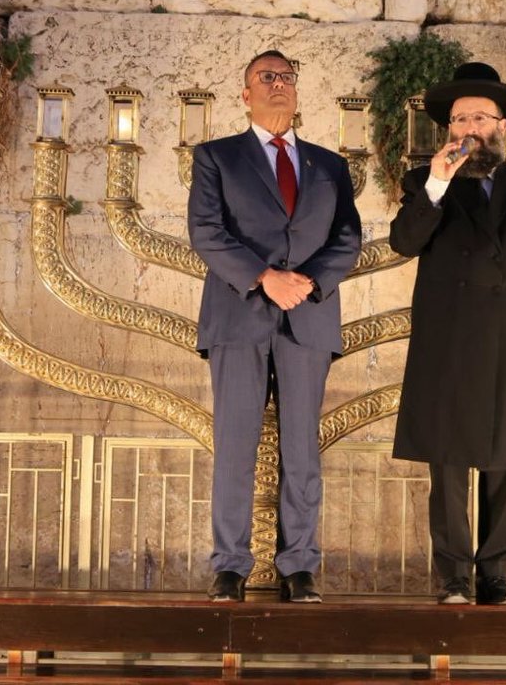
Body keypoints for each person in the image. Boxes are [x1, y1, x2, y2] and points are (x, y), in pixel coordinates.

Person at [390, 62, 506, 606]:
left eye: (480, 118)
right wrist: (438, 183)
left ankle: (495, 573)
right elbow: (404, 241)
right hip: (448, 341)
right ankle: (453, 576)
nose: (469, 128)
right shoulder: (426, 183)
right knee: (447, 462)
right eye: (459, 119)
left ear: (502, 127)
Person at [188, 50, 362, 603]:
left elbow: (348, 237)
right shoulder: (216, 157)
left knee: (302, 450)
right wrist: (264, 277)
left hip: (307, 318)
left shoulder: (330, 165)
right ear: (246, 94)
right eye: (267, 77)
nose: (279, 84)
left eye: (287, 77)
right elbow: (206, 230)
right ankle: (230, 566)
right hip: (238, 317)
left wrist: (306, 282)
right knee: (234, 446)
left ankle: (299, 566)